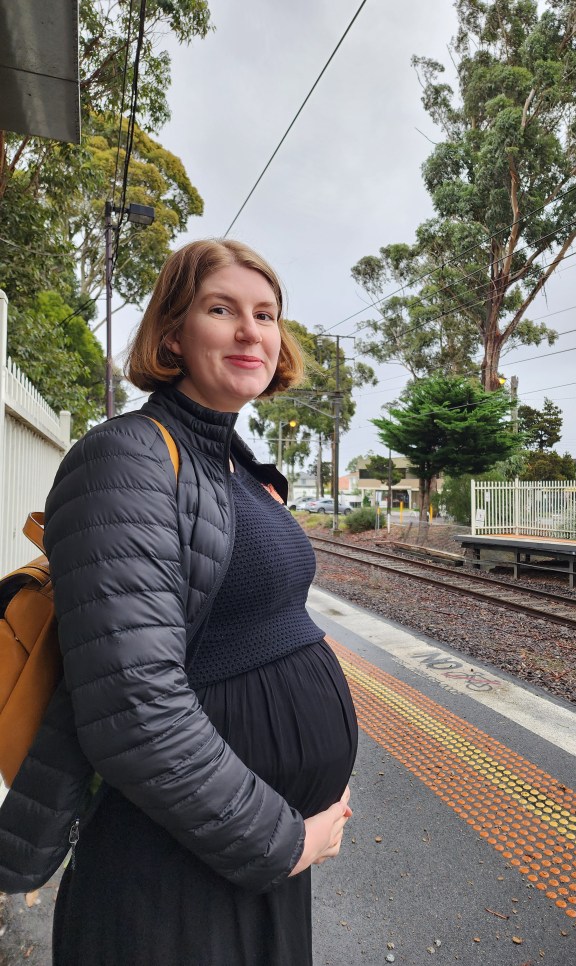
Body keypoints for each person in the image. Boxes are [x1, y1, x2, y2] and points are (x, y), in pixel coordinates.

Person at [43, 239, 358, 965]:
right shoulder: (126, 458)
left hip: (248, 863)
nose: (252, 332)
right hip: (174, 878)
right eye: (223, 310)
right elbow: (134, 708)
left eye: (266, 314)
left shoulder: (234, 467)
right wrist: (281, 842)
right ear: (173, 333)